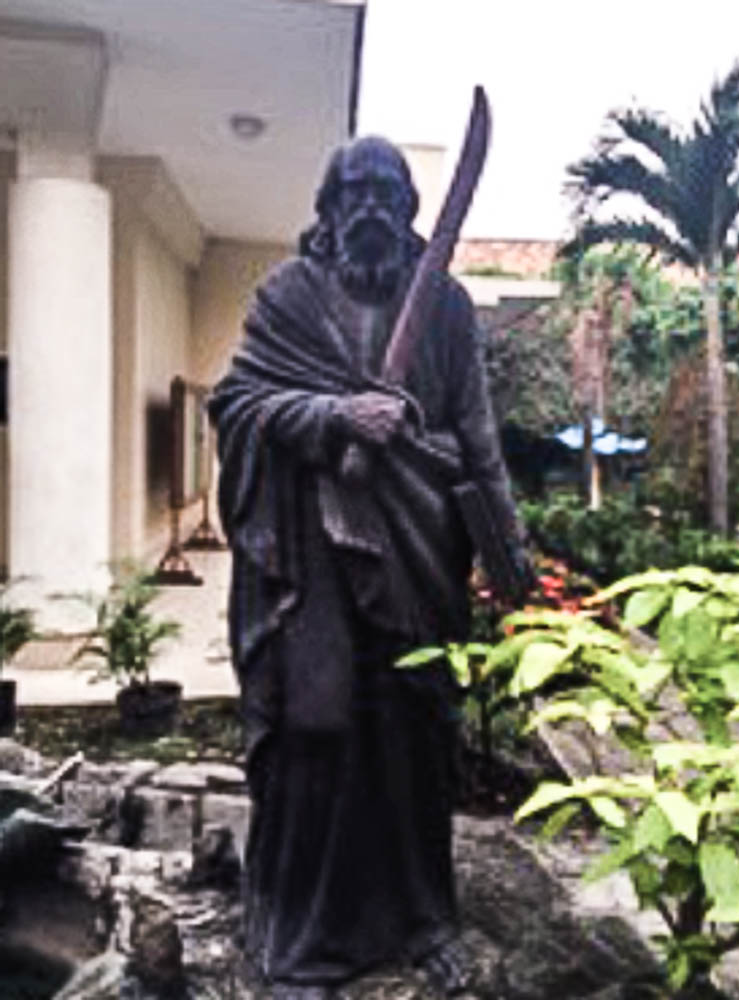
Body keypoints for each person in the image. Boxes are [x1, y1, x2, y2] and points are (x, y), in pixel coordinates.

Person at [209, 136, 533, 1000]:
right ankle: (300, 940)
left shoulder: (446, 305)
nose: (372, 208)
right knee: (315, 736)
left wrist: (508, 547)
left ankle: (426, 921)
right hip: (310, 558)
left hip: (417, 551)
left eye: (388, 193)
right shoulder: (286, 295)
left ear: (409, 207)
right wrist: (333, 416)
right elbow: (237, 404)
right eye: (355, 191)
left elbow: (476, 431)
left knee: (413, 734)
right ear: (328, 207)